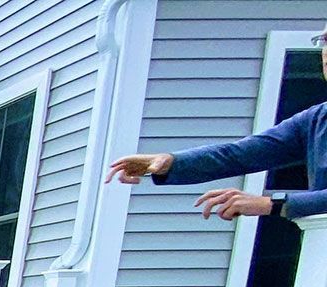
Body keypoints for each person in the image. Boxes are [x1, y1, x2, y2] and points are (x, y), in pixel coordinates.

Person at [106, 27, 327, 221]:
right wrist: (171, 162)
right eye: (325, 40)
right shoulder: (315, 120)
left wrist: (273, 204)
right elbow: (236, 155)